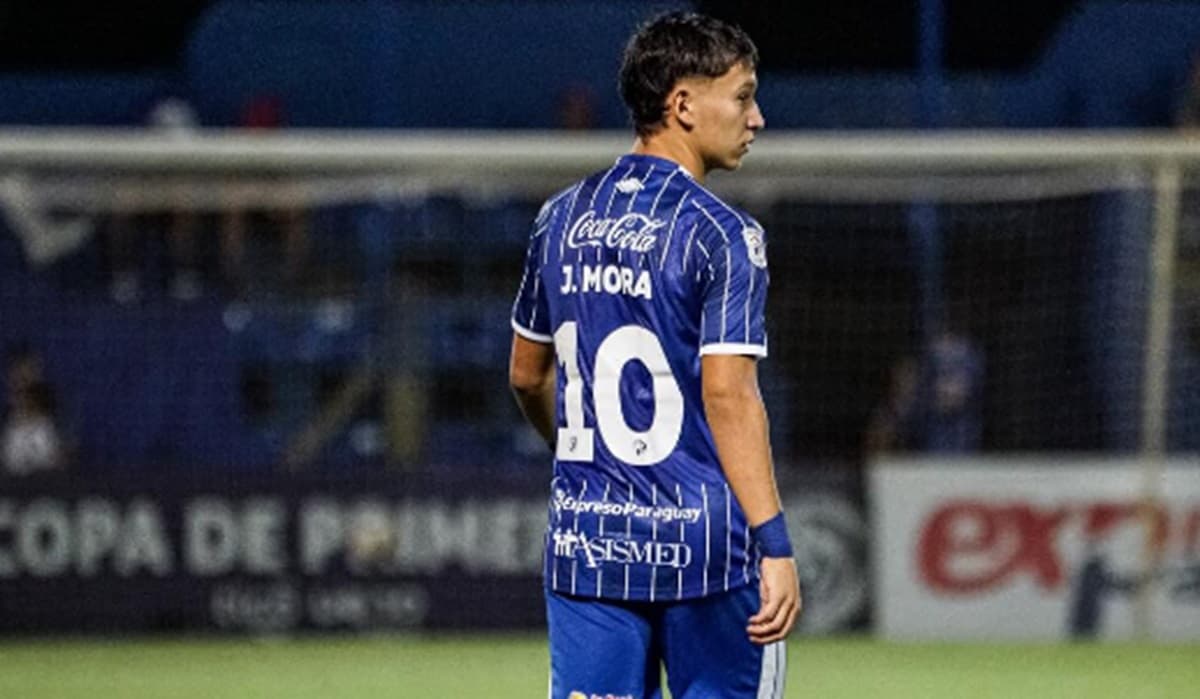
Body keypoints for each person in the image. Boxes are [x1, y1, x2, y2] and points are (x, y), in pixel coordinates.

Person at [508, 12, 800, 698]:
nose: (756, 118)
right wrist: (777, 544)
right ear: (683, 104)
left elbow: (526, 374)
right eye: (743, 95)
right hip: (704, 551)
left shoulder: (558, 218)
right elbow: (729, 396)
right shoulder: (725, 236)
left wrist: (595, 455)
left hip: (589, 545)